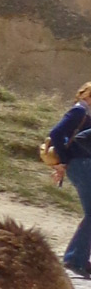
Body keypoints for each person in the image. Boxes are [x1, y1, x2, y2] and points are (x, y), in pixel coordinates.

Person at [50, 81, 91, 277]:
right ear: (86, 96)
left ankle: (79, 257)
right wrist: (64, 161)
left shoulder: (84, 114)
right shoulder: (79, 111)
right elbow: (57, 133)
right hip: (81, 166)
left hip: (83, 165)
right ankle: (75, 260)